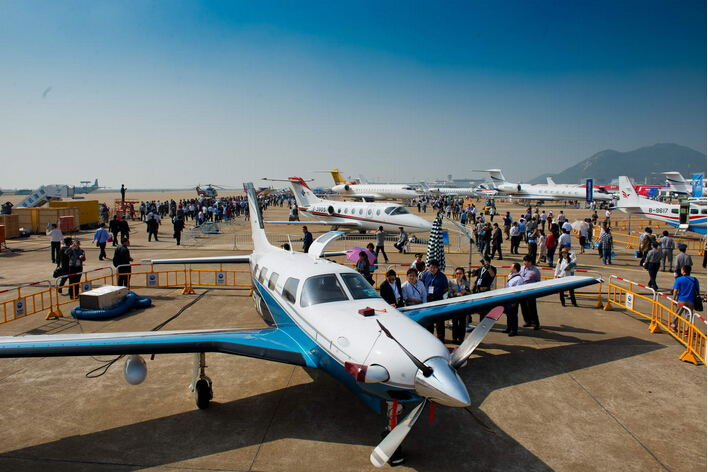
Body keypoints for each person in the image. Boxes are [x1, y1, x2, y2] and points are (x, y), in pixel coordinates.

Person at [420, 260, 448, 342]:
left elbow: (445, 289)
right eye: (431, 267)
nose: (432, 269)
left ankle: (440, 339)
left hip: (438, 299)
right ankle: (430, 339)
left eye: (435, 267)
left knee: (439, 321)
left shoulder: (442, 276)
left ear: (438, 268)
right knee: (429, 320)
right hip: (428, 299)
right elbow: (422, 286)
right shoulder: (425, 275)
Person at [671, 265, 700, 332]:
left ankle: (674, 326)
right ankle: (687, 330)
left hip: (681, 300)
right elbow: (697, 290)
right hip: (691, 300)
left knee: (677, 314)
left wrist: (673, 299)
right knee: (689, 315)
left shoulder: (679, 279)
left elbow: (675, 290)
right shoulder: (695, 280)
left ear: (683, 271)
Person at [448, 267, 471, 343]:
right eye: (457, 273)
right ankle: (454, 337)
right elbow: (449, 293)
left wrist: (464, 292)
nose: (458, 275)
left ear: (463, 274)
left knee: (462, 322)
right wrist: (455, 294)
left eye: (460, 273)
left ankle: (461, 338)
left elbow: (470, 293)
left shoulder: (466, 283)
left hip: (463, 304)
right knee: (455, 322)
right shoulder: (451, 282)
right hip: (455, 304)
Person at [520, 255, 541, 330]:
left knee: (531, 307)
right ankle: (527, 321)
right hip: (522, 291)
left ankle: (535, 322)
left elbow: (538, 280)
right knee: (524, 307)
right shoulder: (522, 268)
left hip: (530, 291)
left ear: (530, 262)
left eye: (526, 262)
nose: (524, 263)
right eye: (524, 261)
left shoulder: (535, 271)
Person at [503, 263, 524, 336]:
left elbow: (518, 291)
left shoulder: (519, 279)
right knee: (508, 314)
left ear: (515, 269)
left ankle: (514, 330)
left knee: (513, 315)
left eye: (511, 267)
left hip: (513, 299)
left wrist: (515, 301)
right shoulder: (510, 275)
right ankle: (509, 327)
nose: (510, 267)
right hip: (507, 298)